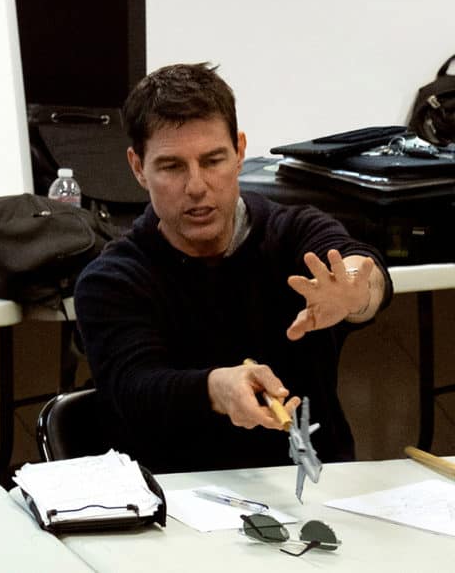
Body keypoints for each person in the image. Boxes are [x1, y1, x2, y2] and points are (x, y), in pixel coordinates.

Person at [74, 63, 391, 473]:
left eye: (213, 160)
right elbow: (134, 389)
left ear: (240, 151)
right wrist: (216, 389)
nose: (196, 186)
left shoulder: (293, 232)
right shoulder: (112, 280)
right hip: (176, 506)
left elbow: (360, 267)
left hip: (313, 494)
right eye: (172, 166)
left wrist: (353, 291)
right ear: (138, 167)